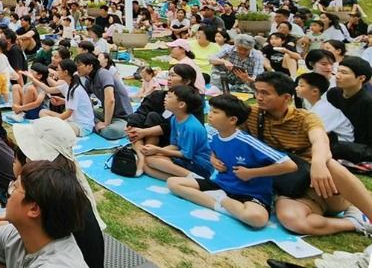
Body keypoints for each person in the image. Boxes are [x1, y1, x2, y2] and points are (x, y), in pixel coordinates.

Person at [228, 72, 372, 236]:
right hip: (290, 188)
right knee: (292, 220)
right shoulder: (251, 114)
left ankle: (365, 211)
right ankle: (353, 222)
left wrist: (318, 164)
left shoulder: (305, 117)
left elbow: (320, 140)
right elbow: (229, 136)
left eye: (265, 93)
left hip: (320, 184)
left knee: (329, 164)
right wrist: (215, 157)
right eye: (257, 91)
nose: (259, 97)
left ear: (286, 98)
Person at [167, 95, 296, 229]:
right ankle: (222, 205)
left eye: (215, 112)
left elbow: (290, 165)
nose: (210, 115)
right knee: (173, 183)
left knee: (257, 219)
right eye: (210, 110)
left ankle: (220, 200)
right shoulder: (213, 135)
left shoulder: (248, 142)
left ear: (232, 120)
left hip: (250, 193)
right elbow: (213, 151)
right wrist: (213, 159)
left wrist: (251, 173)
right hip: (221, 186)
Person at [140, 85, 213, 180]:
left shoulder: (191, 127)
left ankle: (194, 177)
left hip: (200, 165)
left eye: (170, 97)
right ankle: (190, 180)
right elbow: (175, 145)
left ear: (181, 105)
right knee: (146, 166)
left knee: (151, 160)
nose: (165, 98)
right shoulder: (175, 119)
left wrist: (158, 150)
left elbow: (187, 154)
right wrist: (153, 151)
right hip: (186, 159)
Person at [75, 52, 132, 140]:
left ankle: (95, 126)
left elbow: (110, 100)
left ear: (90, 66)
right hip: (106, 113)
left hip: (122, 117)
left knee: (112, 131)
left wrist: (106, 123)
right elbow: (84, 100)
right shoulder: (89, 79)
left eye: (79, 65)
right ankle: (97, 125)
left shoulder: (103, 73)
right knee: (78, 112)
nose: (77, 68)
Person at [326, 57, 372, 163]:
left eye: (344, 73)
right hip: (340, 139)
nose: (337, 76)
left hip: (363, 147)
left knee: (336, 147)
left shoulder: (368, 102)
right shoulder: (333, 93)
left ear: (361, 78)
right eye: (338, 71)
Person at [295, 72, 354, 143]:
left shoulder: (323, 109)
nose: (296, 88)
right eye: (298, 85)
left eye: (301, 86)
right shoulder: (316, 106)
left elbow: (314, 133)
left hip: (342, 143)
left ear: (314, 91)